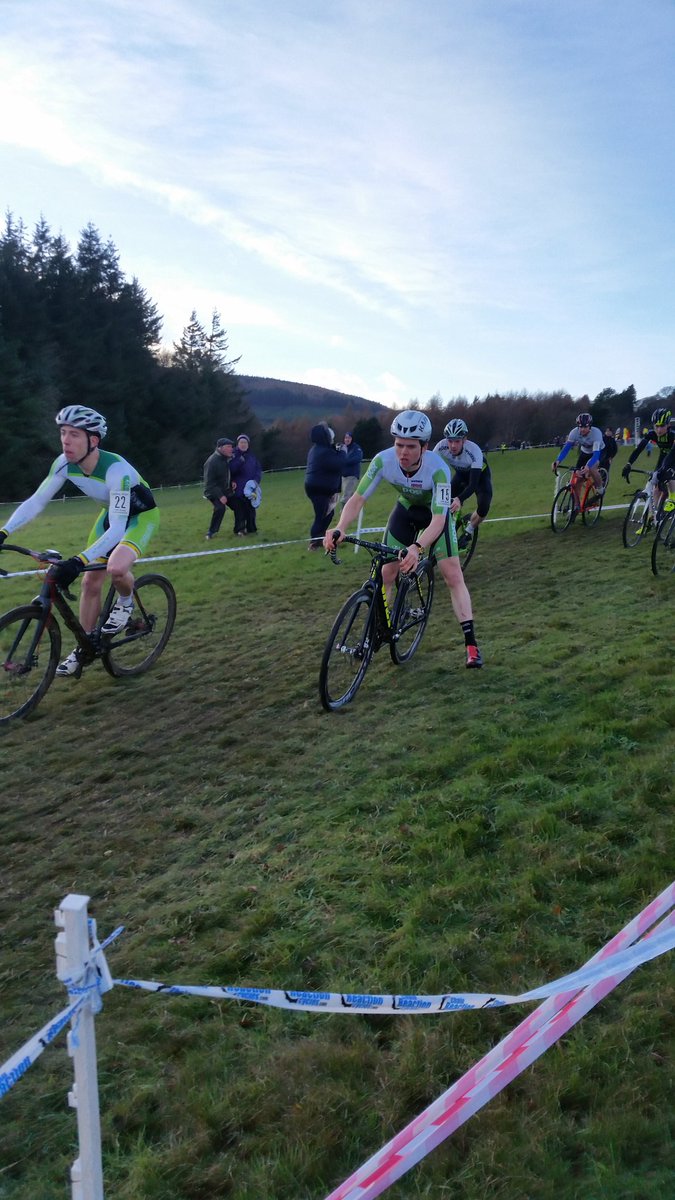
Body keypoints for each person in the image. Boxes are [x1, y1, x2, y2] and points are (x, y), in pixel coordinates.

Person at [0, 405, 159, 677]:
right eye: (63, 432)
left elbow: (118, 528)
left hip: (139, 518)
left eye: (74, 434)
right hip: (110, 514)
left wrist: (79, 560)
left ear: (93, 440)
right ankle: (84, 646)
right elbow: (37, 501)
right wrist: (4, 532)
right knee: (89, 582)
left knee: (116, 568)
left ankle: (125, 602)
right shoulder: (63, 463)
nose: (66, 440)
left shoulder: (116, 471)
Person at [324, 410, 483, 668]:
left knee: (452, 574)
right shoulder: (382, 461)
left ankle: (471, 645)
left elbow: (439, 520)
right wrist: (340, 527)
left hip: (435, 515)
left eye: (410, 447)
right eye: (399, 445)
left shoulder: (439, 469)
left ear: (424, 447)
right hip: (406, 510)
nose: (403, 452)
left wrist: (417, 547)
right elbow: (358, 498)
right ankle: (383, 626)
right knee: (387, 572)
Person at [432, 418, 493, 548]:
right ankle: (448, 530)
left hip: (480, 477)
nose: (453, 446)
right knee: (445, 503)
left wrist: (459, 499)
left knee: (484, 506)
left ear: (464, 439)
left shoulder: (474, 451)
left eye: (457, 441)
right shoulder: (440, 447)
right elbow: (430, 469)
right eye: (450, 441)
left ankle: (469, 531)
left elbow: (472, 485)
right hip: (461, 475)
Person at [621, 408, 675, 512]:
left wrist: (663, 469)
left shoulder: (672, 434)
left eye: (662, 426)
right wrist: (629, 463)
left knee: (669, 473)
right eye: (656, 426)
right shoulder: (652, 434)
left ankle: (672, 499)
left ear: (668, 425)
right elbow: (639, 449)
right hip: (664, 455)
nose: (659, 430)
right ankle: (653, 516)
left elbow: (672, 455)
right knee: (656, 486)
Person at [304, 422, 345, 550]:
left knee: (328, 514)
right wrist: (343, 451)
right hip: (319, 489)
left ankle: (320, 539)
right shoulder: (323, 451)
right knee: (321, 515)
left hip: (316, 487)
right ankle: (314, 542)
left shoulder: (317, 449)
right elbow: (339, 463)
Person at [551, 413, 606, 508]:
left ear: (590, 426)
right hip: (584, 452)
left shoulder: (596, 433)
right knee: (577, 479)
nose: (582, 429)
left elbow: (596, 454)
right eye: (580, 427)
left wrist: (588, 466)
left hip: (598, 452)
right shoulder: (574, 433)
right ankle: (577, 506)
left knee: (592, 467)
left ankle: (600, 489)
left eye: (585, 427)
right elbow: (566, 448)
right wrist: (558, 461)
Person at [229, 434, 263, 535]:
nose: (243, 444)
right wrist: (240, 462)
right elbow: (231, 470)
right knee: (240, 510)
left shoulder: (252, 456)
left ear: (248, 444)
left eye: (245, 443)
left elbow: (258, 469)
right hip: (238, 488)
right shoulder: (233, 455)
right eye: (241, 442)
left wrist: (256, 481)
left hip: (251, 488)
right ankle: (240, 529)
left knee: (251, 509)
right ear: (238, 444)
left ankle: (252, 529)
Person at [203, 437, 235, 540]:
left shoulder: (227, 459)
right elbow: (210, 483)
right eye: (228, 446)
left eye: (231, 446)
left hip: (226, 490)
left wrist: (232, 482)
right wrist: (220, 496)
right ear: (220, 448)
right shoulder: (211, 462)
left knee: (240, 504)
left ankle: (240, 529)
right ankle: (211, 532)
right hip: (212, 492)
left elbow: (226, 475)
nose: (231, 449)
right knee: (220, 508)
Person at [339, 431, 363, 507]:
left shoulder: (356, 448)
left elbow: (357, 458)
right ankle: (356, 508)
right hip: (344, 476)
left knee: (346, 495)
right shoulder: (342, 448)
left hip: (352, 475)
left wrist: (345, 461)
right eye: (346, 438)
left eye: (349, 438)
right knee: (349, 494)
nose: (347, 439)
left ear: (352, 439)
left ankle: (343, 511)